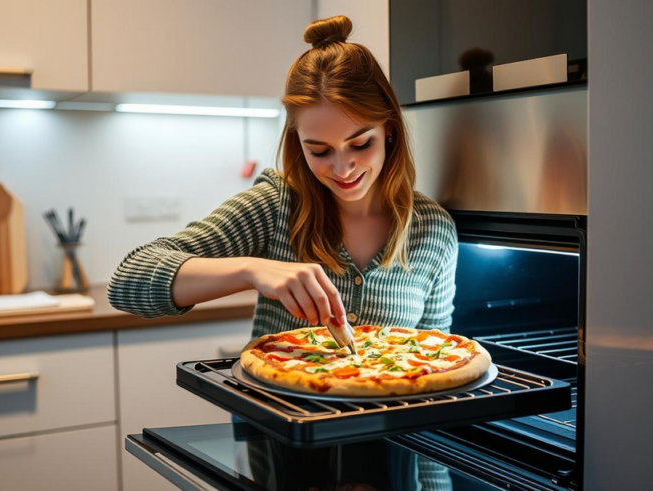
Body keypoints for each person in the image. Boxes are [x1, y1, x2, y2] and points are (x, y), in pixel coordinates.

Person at [109, 15, 455, 489]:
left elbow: (440, 393)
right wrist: (253, 270)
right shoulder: (277, 205)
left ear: (390, 130)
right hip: (281, 456)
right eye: (319, 150)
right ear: (297, 142)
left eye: (360, 143)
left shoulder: (433, 228)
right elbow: (127, 282)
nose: (343, 167)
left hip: (391, 461)